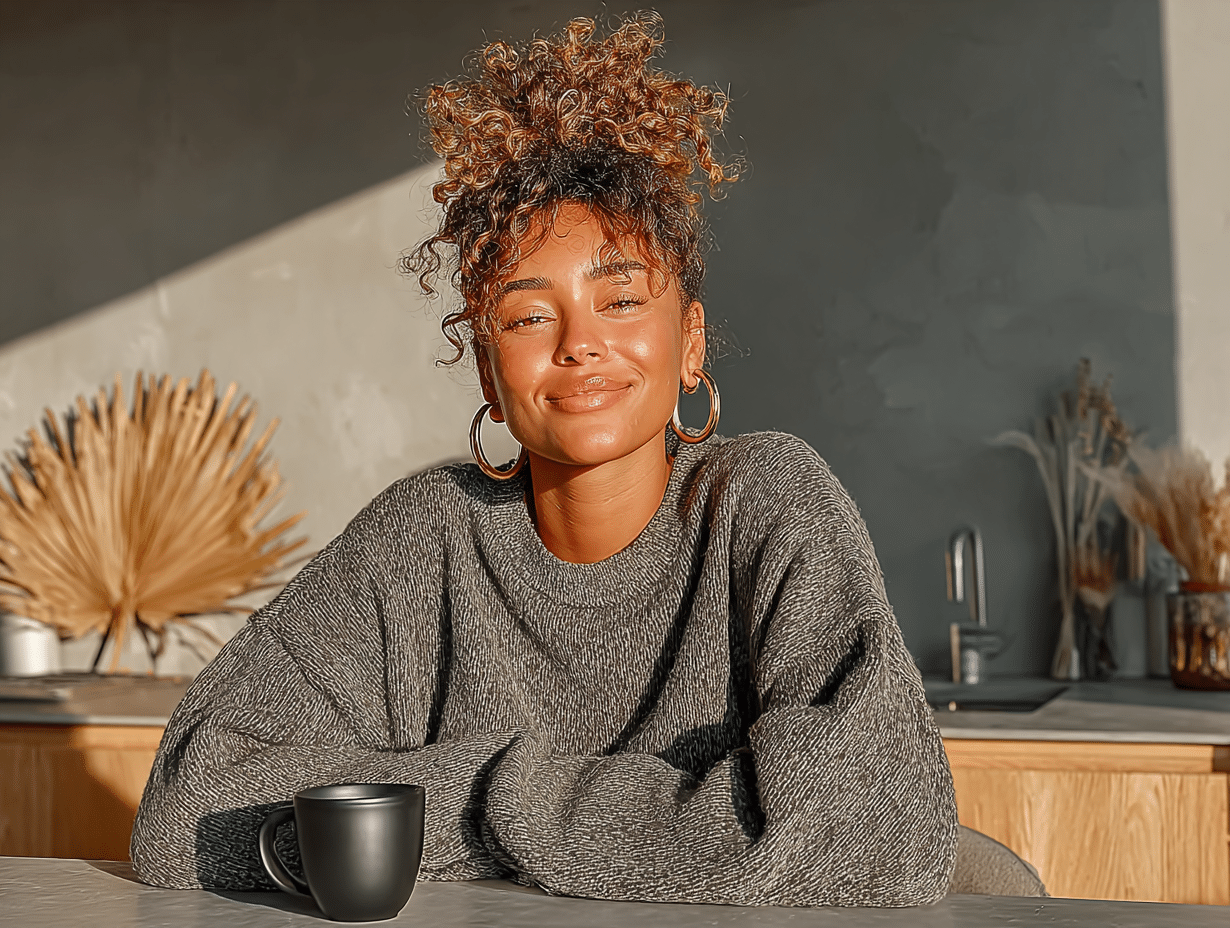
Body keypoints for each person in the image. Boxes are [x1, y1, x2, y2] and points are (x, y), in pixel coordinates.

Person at [131, 13, 959, 906]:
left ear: (690, 342)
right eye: (529, 316)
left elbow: (886, 826)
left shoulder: (765, 505)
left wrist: (493, 804)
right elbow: (187, 814)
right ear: (490, 370)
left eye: (621, 300)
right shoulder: (424, 541)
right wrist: (668, 827)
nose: (579, 345)